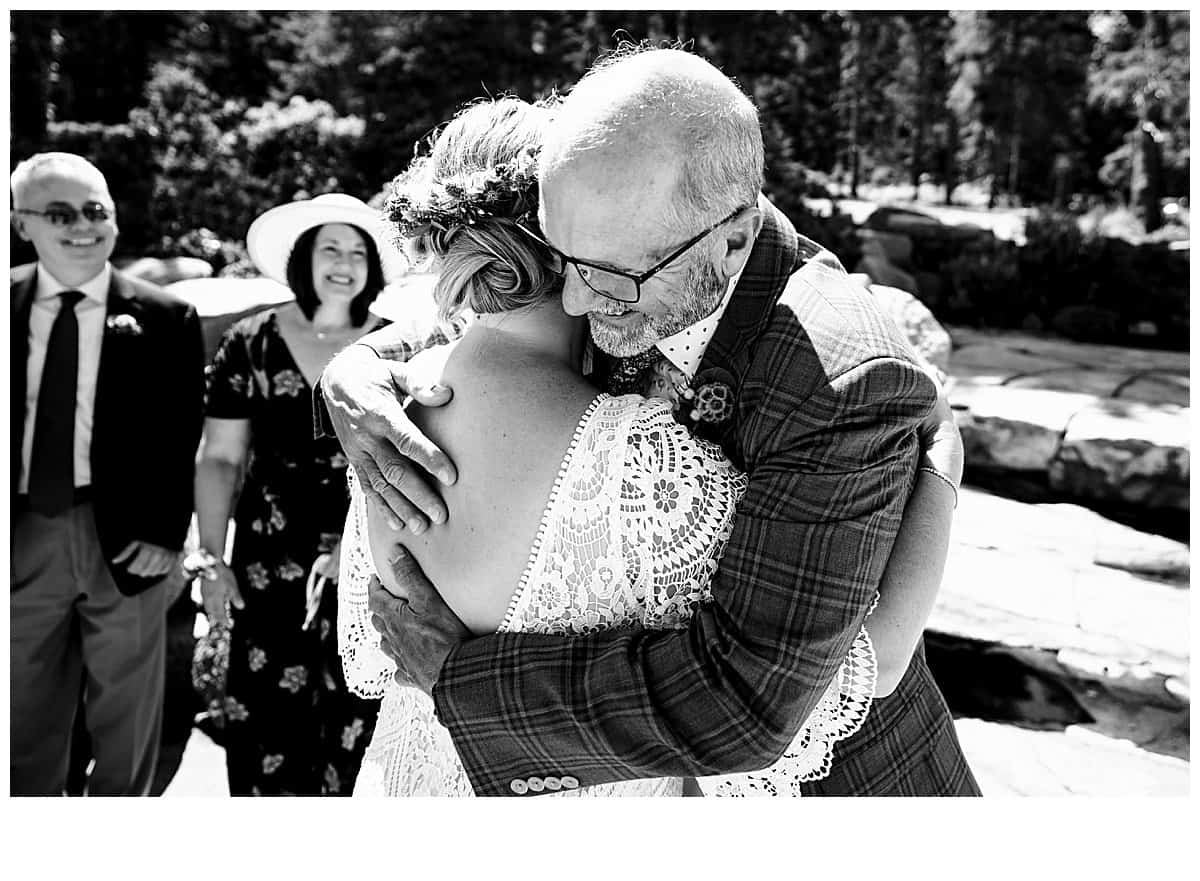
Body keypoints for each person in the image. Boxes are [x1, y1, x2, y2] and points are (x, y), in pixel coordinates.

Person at [321, 47, 980, 796]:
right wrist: (354, 368)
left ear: (733, 240)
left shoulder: (839, 378)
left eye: (604, 274)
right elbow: (498, 304)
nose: (574, 299)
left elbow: (747, 707)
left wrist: (456, 676)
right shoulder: (630, 251)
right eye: (560, 258)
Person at [10, 152, 205, 796]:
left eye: (96, 211)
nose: (83, 227)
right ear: (21, 224)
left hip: (127, 543)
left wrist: (167, 536)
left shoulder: (166, 318)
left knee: (127, 723)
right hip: (21, 536)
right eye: (60, 213)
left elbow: (182, 439)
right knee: (23, 722)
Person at [192, 194, 392, 795]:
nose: (344, 262)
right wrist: (210, 559)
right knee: (263, 734)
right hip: (264, 571)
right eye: (330, 247)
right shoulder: (248, 341)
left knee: (356, 736)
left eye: (358, 251)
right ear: (302, 258)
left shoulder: (398, 346)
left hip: (369, 570)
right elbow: (221, 459)